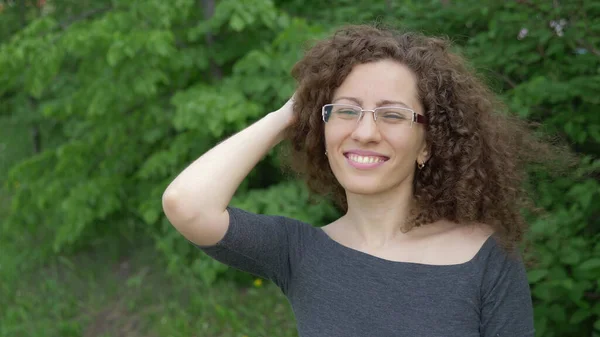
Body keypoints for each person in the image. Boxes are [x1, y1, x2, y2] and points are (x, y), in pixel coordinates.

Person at [162, 25, 550, 336]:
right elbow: (187, 203)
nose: (364, 132)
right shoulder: (300, 253)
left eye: (393, 115)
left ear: (427, 146)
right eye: (347, 112)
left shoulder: (486, 256)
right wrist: (290, 114)